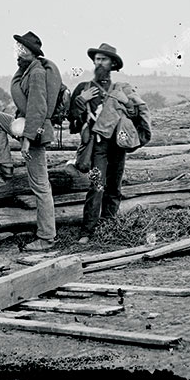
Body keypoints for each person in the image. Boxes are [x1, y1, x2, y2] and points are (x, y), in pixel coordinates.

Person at [68, 42, 150, 244]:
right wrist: (80, 100)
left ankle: (109, 227)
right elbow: (72, 118)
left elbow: (135, 113)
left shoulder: (122, 88)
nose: (99, 62)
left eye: (104, 59)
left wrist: (126, 101)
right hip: (97, 147)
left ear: (113, 64)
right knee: (97, 185)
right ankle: (87, 231)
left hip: (118, 146)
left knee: (114, 187)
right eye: (97, 59)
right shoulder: (84, 88)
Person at [0, 31, 59, 251]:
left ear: (34, 52)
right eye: (17, 50)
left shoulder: (37, 73)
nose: (18, 54)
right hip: (25, 124)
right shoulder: (27, 70)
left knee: (40, 186)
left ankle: (46, 237)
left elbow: (39, 108)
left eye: (23, 50)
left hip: (34, 132)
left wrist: (26, 140)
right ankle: (4, 164)